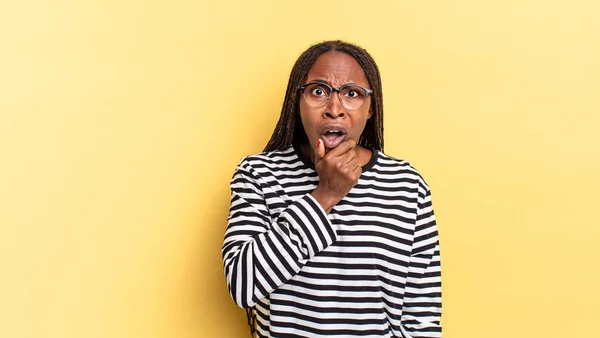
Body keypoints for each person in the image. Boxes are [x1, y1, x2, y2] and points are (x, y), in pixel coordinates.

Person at [221, 40, 442, 338]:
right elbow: (243, 286)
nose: (334, 109)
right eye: (318, 91)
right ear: (297, 102)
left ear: (371, 107)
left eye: (352, 94)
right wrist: (326, 194)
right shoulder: (259, 174)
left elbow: (421, 318)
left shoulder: (407, 186)